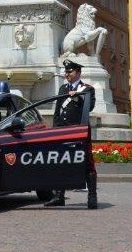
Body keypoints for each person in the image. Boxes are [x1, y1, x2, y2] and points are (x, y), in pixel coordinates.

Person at [44, 59, 97, 209]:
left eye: (70, 72)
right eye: (66, 72)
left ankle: (92, 196)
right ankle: (59, 196)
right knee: (60, 162)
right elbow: (57, 112)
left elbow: (90, 107)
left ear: (78, 72)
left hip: (79, 132)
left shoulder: (87, 89)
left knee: (87, 163)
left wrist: (78, 96)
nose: (67, 74)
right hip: (63, 132)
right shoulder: (62, 89)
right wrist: (56, 130)